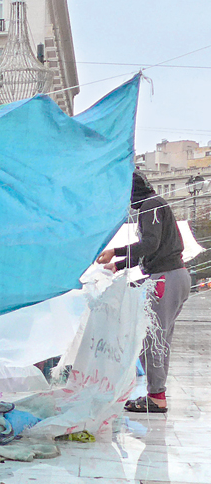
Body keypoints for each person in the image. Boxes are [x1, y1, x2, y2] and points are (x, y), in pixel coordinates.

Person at [96, 170, 188, 414]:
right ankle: (156, 394)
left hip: (166, 278)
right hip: (171, 276)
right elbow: (151, 251)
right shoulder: (154, 204)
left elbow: (150, 244)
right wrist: (117, 265)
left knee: (153, 340)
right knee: (159, 338)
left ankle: (156, 397)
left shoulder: (151, 205)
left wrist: (116, 251)